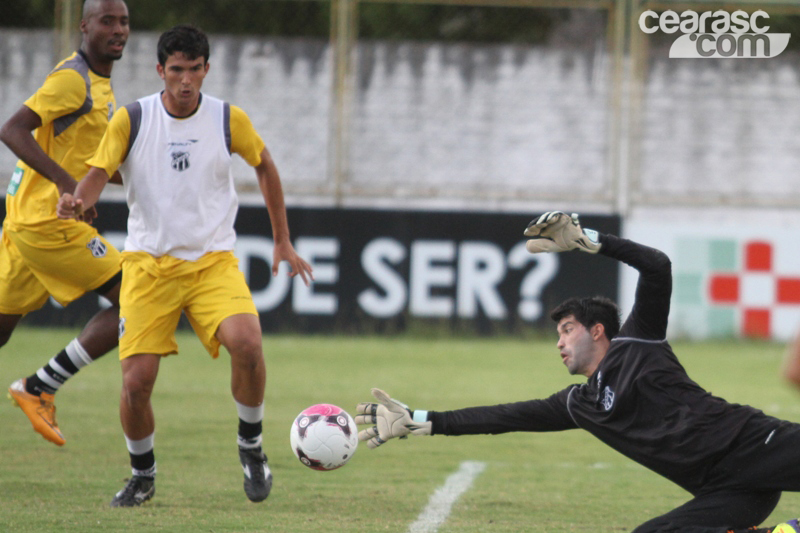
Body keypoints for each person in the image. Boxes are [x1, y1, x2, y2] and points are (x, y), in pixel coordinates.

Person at [355, 212, 800, 533]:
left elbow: (658, 266)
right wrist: (423, 420)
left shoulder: (638, 340)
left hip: (756, 445)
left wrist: (590, 238)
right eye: (558, 334)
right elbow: (505, 417)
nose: (559, 342)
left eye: (567, 330)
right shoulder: (581, 404)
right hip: (725, 492)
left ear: (599, 330)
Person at [57, 24, 313, 507]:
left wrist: (282, 239)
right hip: (148, 268)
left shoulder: (225, 119)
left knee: (249, 343)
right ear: (160, 71)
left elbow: (264, 164)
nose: (186, 80)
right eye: (176, 70)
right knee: (136, 384)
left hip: (211, 263)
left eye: (194, 70)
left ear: (206, 70)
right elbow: (94, 174)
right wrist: (76, 201)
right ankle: (142, 475)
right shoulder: (132, 119)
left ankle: (251, 446)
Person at [0, 0, 129, 447]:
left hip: (24, 223)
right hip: (47, 225)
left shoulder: (96, 83)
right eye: (107, 21)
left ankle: (37, 387)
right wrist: (65, 182)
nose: (118, 30)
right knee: (139, 299)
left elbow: (90, 157)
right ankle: (39, 386)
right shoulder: (73, 80)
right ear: (85, 26)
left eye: (124, 22)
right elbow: (12, 128)